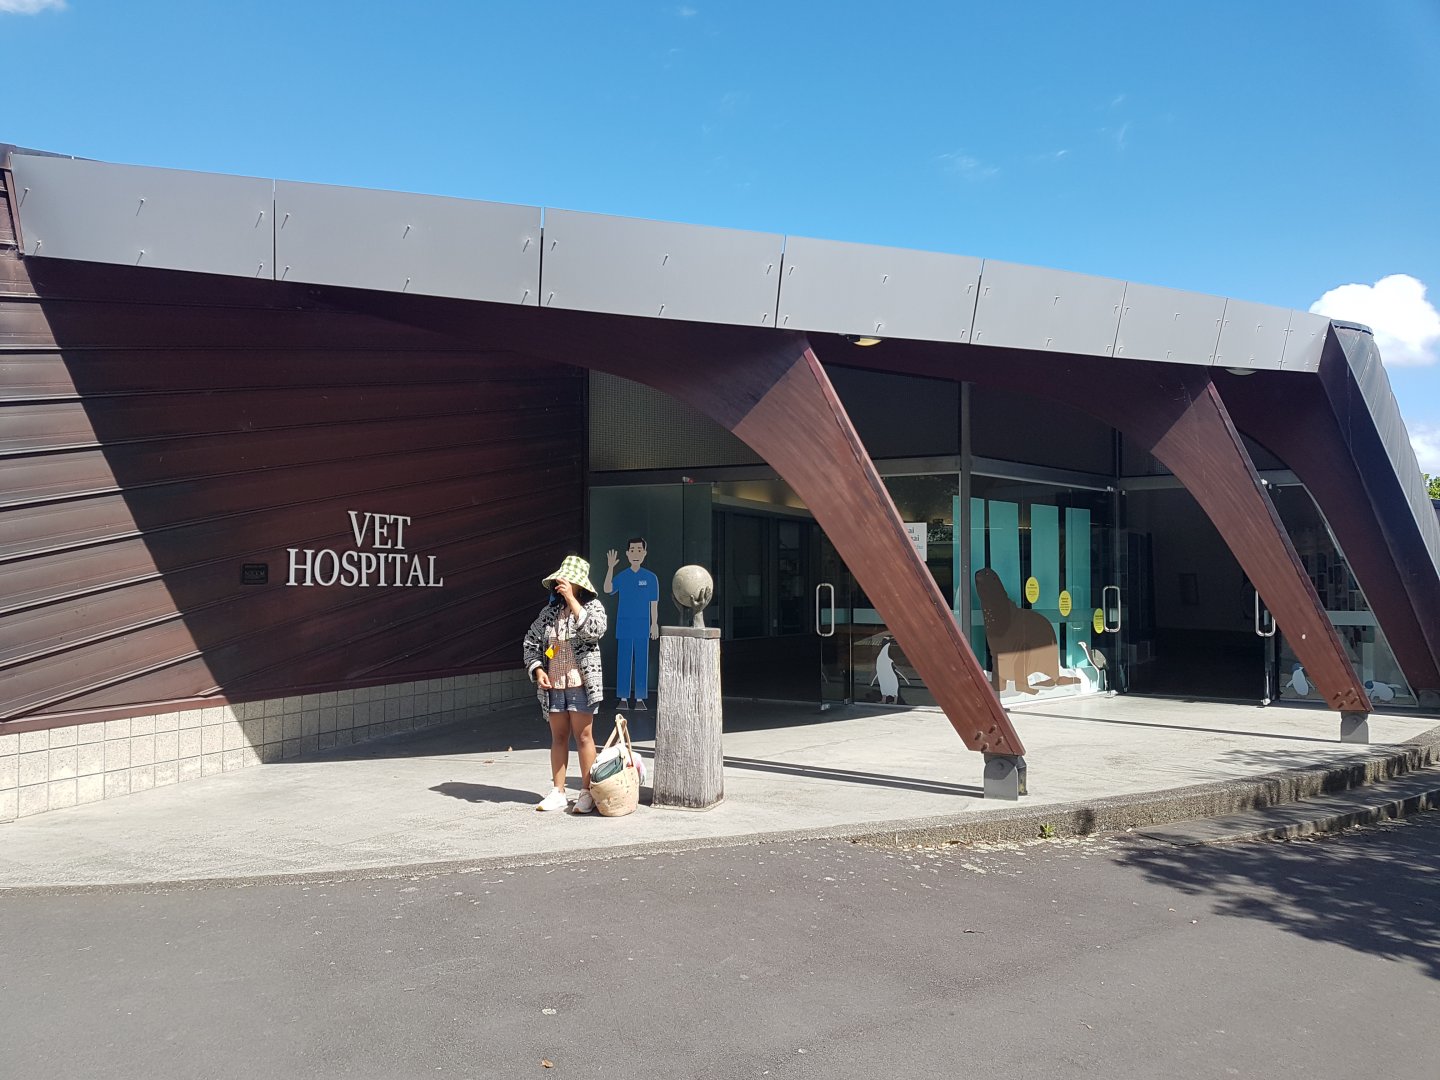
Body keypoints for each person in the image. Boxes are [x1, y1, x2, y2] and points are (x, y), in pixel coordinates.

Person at [523, 556, 608, 813]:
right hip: (554, 684)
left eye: (569, 581)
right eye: (561, 581)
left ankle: (586, 792)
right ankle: (558, 791)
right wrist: (538, 669)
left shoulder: (593, 607)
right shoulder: (549, 613)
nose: (563, 585)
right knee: (558, 737)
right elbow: (531, 642)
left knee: (584, 737)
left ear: (579, 584)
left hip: (582, 683)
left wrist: (572, 600)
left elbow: (595, 631)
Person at [605, 537, 660, 711]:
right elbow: (608, 589)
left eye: (639, 550)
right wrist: (611, 567)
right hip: (624, 626)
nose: (636, 554)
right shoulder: (622, 576)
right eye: (632, 550)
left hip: (643, 626)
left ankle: (640, 699)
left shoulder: (651, 578)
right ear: (628, 554)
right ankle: (623, 697)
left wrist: (654, 624)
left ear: (644, 553)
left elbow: (654, 604)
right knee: (624, 661)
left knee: (641, 662)